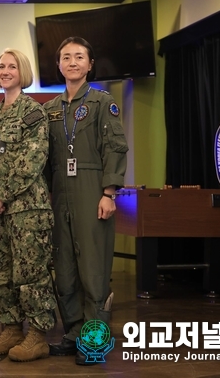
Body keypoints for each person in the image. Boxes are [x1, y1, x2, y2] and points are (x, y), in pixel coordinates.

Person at [43, 37, 128, 365]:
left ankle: (95, 340)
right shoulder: (50, 109)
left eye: (79, 57)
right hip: (59, 194)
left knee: (93, 271)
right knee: (64, 270)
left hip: (93, 191)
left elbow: (115, 148)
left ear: (90, 64)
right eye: (66, 57)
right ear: (59, 65)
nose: (72, 62)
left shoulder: (103, 103)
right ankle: (74, 331)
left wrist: (109, 193)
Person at [0, 48, 57, 362]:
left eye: (12, 66)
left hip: (26, 210)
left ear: (22, 72)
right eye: (2, 67)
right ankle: (11, 328)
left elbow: (32, 160)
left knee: (31, 272)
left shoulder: (33, 112)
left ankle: (37, 335)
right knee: (2, 272)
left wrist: (2, 195)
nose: (5, 71)